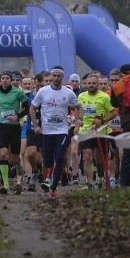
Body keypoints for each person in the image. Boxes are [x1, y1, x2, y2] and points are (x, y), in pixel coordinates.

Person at [29, 66, 82, 198]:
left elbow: (79, 108)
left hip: (62, 131)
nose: (56, 78)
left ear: (63, 77)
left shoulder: (68, 93)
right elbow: (32, 109)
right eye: (54, 76)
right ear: (51, 77)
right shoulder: (43, 91)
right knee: (47, 160)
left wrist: (78, 120)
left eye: (59, 76)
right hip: (46, 131)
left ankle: (52, 188)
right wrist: (36, 126)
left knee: (59, 158)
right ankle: (48, 178)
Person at [0, 70, 30, 194]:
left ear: (10, 80)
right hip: (2, 127)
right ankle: (6, 184)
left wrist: (18, 116)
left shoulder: (18, 92)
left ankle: (19, 165)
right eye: (3, 78)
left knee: (13, 159)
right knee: (3, 154)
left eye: (7, 78)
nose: (5, 80)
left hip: (14, 127)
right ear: (0, 80)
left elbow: (27, 107)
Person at [77, 73, 115, 189]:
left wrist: (102, 121)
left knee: (100, 158)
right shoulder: (81, 96)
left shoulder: (105, 97)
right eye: (89, 83)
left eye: (94, 83)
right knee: (87, 156)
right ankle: (90, 183)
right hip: (86, 131)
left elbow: (113, 113)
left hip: (101, 131)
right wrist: (77, 122)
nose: (91, 85)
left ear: (97, 84)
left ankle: (100, 176)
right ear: (85, 85)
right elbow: (78, 111)